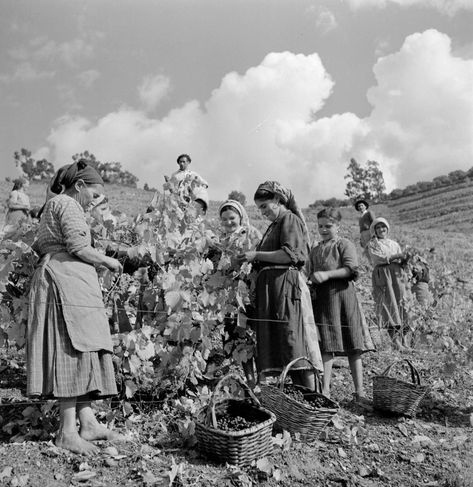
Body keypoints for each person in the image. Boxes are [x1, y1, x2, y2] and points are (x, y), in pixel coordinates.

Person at [27, 160, 123, 455]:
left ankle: (88, 422)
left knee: (85, 348)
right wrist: (109, 260)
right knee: (70, 349)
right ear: (79, 186)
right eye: (93, 195)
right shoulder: (67, 204)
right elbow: (77, 247)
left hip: (71, 281)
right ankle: (67, 432)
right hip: (64, 281)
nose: (94, 201)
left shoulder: (59, 206)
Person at [237, 181, 322, 390]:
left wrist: (256, 255)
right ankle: (299, 402)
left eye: (265, 206)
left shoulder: (289, 219)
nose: (263, 212)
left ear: (277, 199)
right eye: (260, 209)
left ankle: (313, 399)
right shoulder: (275, 225)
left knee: (294, 344)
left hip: (286, 287)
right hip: (274, 290)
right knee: (285, 347)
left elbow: (289, 254)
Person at [308, 208, 374, 403]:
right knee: (327, 344)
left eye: (328, 226)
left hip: (343, 296)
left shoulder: (344, 244)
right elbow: (310, 272)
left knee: (353, 343)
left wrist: (327, 275)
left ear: (338, 226)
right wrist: (310, 279)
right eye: (320, 226)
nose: (324, 229)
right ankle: (325, 391)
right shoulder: (316, 249)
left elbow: (351, 269)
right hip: (324, 299)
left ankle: (360, 392)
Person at [367, 217, 410, 350]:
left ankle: (405, 341)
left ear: (387, 228)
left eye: (383, 226)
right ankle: (395, 342)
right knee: (389, 304)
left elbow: (400, 258)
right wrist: (396, 257)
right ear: (374, 230)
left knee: (402, 303)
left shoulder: (394, 243)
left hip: (397, 275)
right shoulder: (373, 244)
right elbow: (378, 259)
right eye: (378, 227)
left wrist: (405, 259)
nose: (381, 229)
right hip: (384, 276)